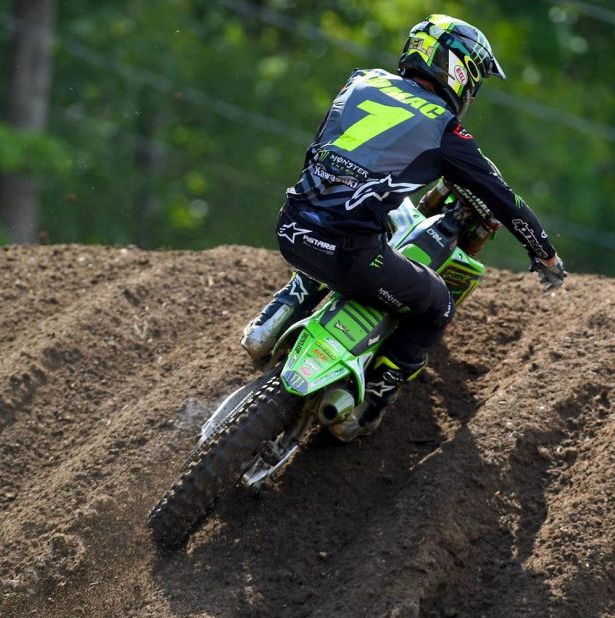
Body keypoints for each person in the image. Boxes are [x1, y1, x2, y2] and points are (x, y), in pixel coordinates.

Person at [241, 14, 566, 441]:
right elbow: (505, 200)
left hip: (290, 226)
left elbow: (324, 151)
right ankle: (369, 405)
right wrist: (545, 255)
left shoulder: (360, 81)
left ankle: (284, 307)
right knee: (438, 306)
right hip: (350, 255)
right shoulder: (444, 128)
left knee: (338, 221)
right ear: (459, 71)